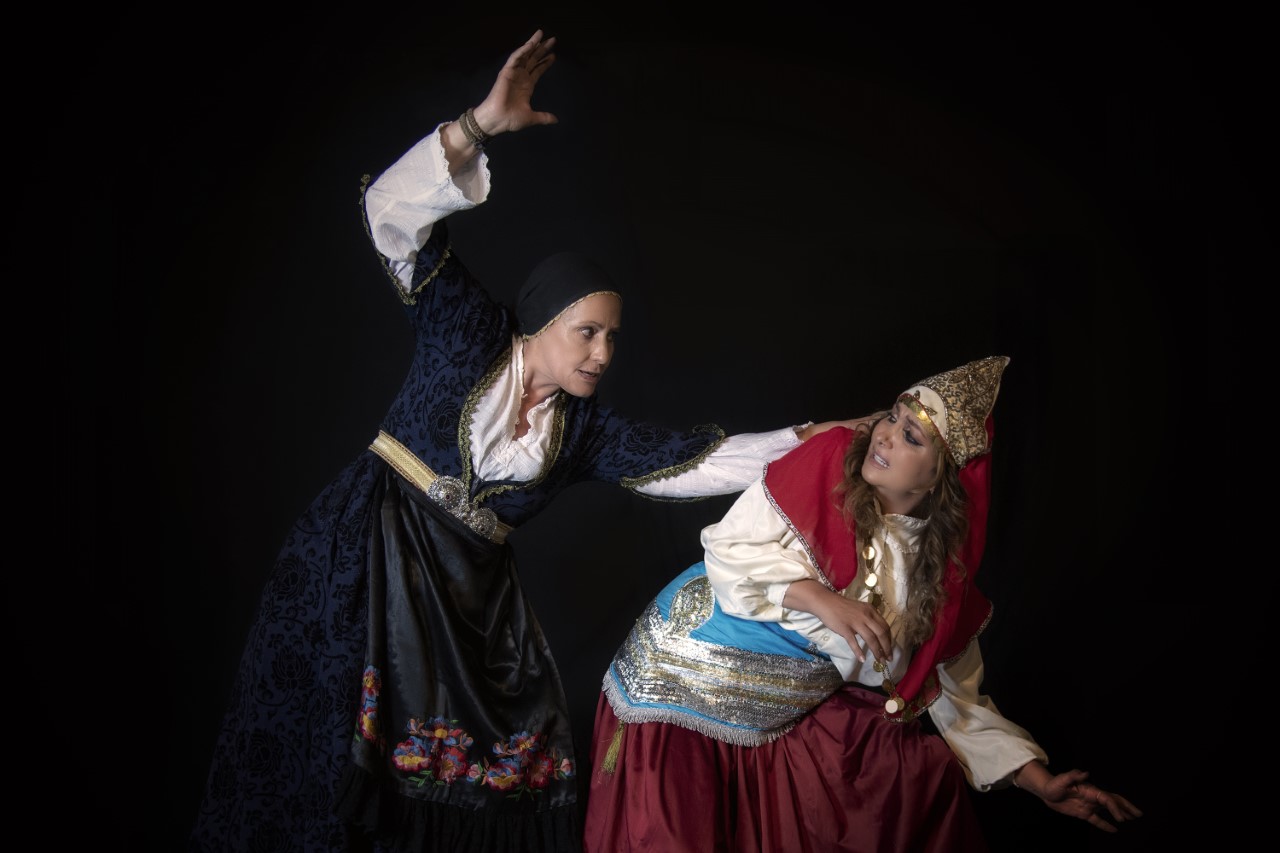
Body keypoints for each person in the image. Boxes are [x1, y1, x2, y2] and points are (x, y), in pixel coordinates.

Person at [188, 30, 866, 853]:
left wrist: (817, 438)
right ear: (541, 322)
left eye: (612, 338)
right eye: (588, 332)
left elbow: (692, 461)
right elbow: (391, 219)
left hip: (460, 610)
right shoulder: (466, 331)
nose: (603, 354)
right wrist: (476, 126)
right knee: (328, 743)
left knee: (452, 779)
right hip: (362, 558)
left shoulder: (583, 431)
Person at [583, 355, 1144, 852]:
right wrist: (821, 599)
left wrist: (1037, 781)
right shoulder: (827, 462)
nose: (885, 436)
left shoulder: (938, 582)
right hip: (678, 678)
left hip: (777, 705)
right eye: (892, 418)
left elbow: (955, 694)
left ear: (941, 478)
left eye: (912, 437)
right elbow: (727, 549)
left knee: (908, 777)